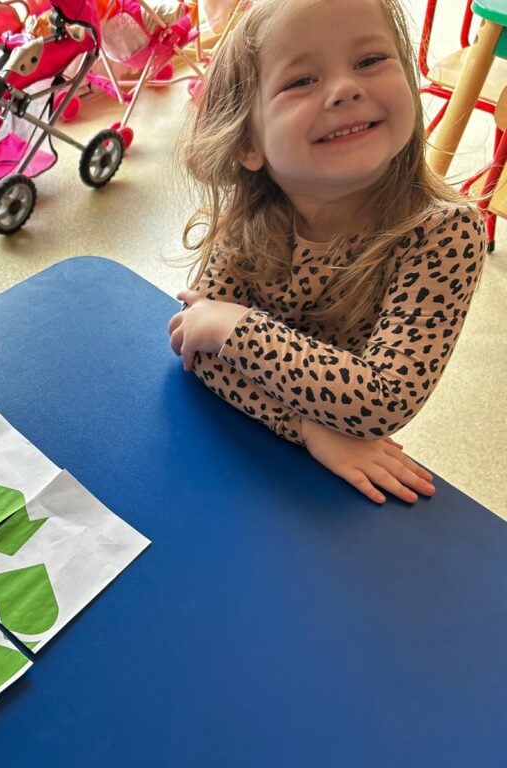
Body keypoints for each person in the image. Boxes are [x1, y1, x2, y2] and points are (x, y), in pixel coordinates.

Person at [167, 0, 486, 504]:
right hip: (243, 461)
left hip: (326, 499)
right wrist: (307, 428)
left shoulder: (446, 234)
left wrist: (237, 328)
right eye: (301, 81)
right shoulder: (252, 214)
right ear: (248, 143)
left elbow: (383, 400)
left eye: (369, 61)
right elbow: (198, 347)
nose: (345, 89)